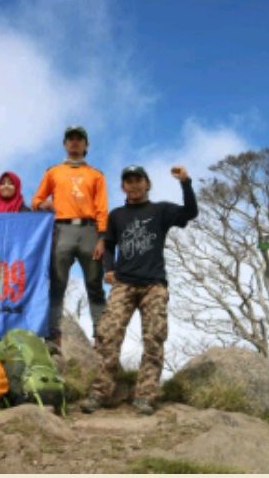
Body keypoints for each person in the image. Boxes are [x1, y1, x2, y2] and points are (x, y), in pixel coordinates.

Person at [81, 164, 198, 416]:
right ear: (123, 186)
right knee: (108, 336)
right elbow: (109, 245)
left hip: (153, 284)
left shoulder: (161, 210)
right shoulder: (117, 215)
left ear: (148, 184)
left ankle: (145, 396)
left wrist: (185, 182)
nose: (133, 185)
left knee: (154, 338)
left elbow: (190, 213)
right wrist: (108, 269)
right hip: (123, 283)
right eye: (128, 181)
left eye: (138, 180)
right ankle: (101, 392)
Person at [32, 126, 108, 350]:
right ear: (65, 144)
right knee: (57, 283)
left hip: (89, 230)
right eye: (70, 139)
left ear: (86, 145)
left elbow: (102, 208)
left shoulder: (96, 175)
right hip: (61, 229)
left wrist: (102, 237)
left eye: (79, 140)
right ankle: (52, 334)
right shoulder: (53, 171)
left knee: (95, 284)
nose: (74, 143)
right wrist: (42, 203)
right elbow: (36, 199)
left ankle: (101, 335)